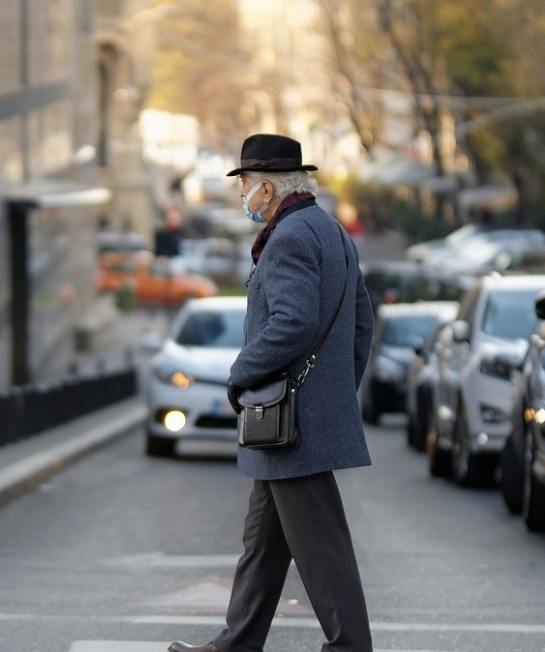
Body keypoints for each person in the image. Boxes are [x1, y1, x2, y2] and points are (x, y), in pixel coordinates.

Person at [168, 134, 375, 652]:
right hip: (300, 417)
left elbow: (292, 322)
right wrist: (335, 391)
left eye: (244, 185)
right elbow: (363, 323)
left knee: (322, 550)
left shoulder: (289, 237)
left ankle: (351, 646)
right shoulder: (330, 230)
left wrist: (241, 373)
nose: (243, 196)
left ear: (266, 186)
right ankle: (235, 645)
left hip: (290, 421)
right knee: (261, 545)